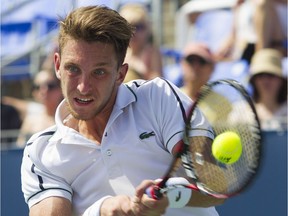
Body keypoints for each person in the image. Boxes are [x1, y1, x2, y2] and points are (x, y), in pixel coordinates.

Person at [20, 6, 224, 216]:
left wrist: (172, 195)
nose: (83, 87)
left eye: (99, 72)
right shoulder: (41, 151)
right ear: (57, 65)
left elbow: (214, 184)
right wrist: (100, 211)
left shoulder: (160, 97)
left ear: (120, 74)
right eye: (73, 69)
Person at [215, 0, 287, 64]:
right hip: (242, 55)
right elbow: (234, 36)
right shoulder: (242, 4)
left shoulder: (264, 5)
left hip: (271, 56)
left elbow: (276, 43)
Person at [16, 68, 63, 146]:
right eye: (37, 87)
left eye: (50, 86)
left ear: (61, 88)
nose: (43, 91)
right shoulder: (31, 121)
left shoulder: (71, 119)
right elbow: (19, 149)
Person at [119, 3, 163, 81]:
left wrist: (139, 70)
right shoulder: (120, 52)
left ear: (148, 29)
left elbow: (158, 83)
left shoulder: (151, 52)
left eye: (138, 27)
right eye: (128, 27)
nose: (133, 32)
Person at [249, 48, 287, 130]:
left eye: (271, 75)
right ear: (253, 80)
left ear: (281, 80)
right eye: (260, 75)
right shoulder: (241, 112)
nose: (265, 81)